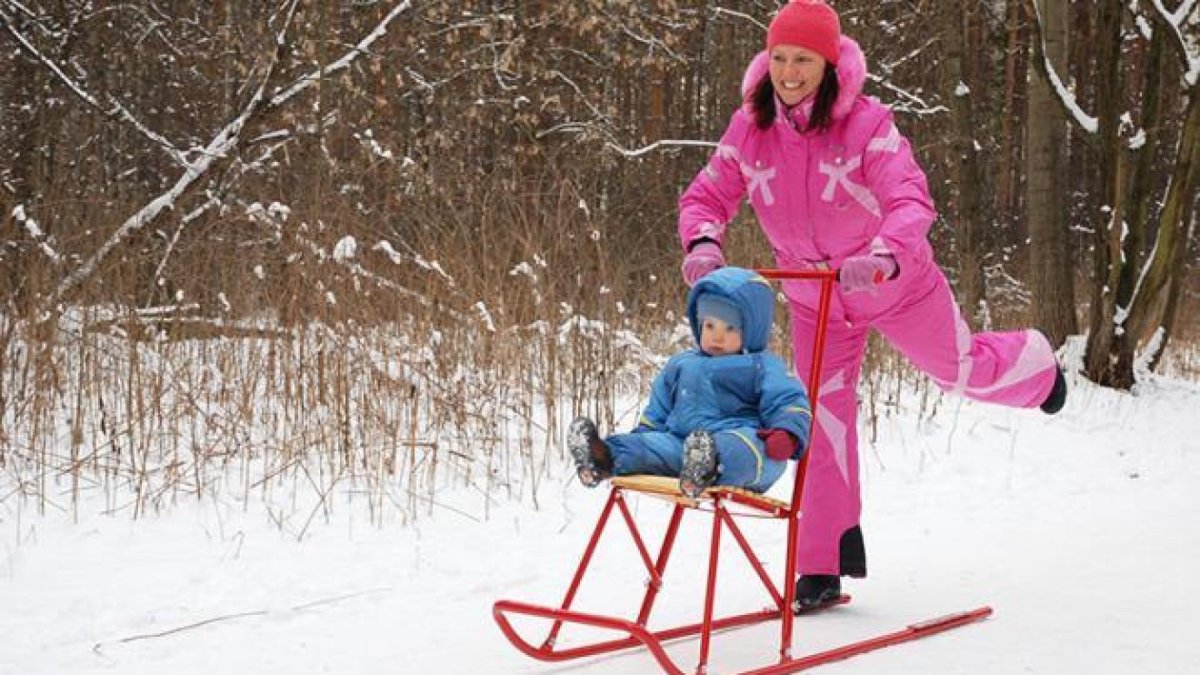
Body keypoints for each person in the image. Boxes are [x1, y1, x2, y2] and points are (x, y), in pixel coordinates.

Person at [677, 0, 1068, 612]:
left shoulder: (867, 124)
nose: (788, 71)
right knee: (818, 420)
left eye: (802, 59)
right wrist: (703, 243)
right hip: (816, 300)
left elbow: (910, 197)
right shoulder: (751, 128)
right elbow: (708, 193)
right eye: (779, 57)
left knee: (957, 370)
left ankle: (1036, 366)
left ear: (829, 63)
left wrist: (884, 252)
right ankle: (822, 563)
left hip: (894, 285)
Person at [568, 266, 812, 499]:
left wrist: (787, 432)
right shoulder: (682, 364)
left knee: (754, 451)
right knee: (649, 446)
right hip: (681, 446)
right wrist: (645, 437)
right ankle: (602, 458)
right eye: (709, 325)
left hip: (738, 442)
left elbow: (788, 400)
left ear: (751, 331)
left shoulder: (762, 365)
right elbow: (658, 408)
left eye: (729, 328)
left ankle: (709, 463)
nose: (717, 336)